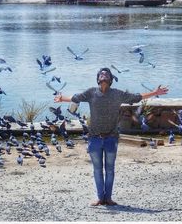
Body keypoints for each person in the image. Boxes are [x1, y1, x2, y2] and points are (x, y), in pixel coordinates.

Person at [54, 67, 169, 206]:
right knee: (97, 169)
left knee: (109, 169)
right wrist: (62, 99)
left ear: (111, 79)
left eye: (106, 74)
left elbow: (136, 97)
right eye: (101, 74)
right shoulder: (91, 92)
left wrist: (155, 92)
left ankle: (108, 198)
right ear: (98, 79)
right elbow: (75, 98)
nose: (103, 75)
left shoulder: (117, 94)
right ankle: (99, 198)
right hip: (94, 138)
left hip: (111, 138)